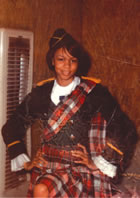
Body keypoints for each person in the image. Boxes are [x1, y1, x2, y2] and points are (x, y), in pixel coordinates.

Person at [2, 28, 138, 198]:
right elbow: (11, 128)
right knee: (41, 190)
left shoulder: (95, 93)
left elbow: (125, 129)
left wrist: (100, 162)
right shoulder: (40, 94)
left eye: (73, 60)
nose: (67, 66)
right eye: (61, 59)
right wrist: (26, 162)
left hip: (80, 168)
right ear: (52, 60)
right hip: (48, 165)